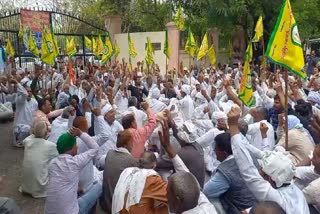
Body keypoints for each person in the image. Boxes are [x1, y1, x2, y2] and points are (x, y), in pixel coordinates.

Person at [227, 106, 310, 214]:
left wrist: (233, 127)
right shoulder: (294, 189)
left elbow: (248, 171)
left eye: (263, 173)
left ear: (269, 179)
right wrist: (264, 136)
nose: (260, 174)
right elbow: (264, 156)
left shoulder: (276, 198)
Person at [159, 120, 217, 214]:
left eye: (168, 193)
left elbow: (161, 164)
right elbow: (185, 171)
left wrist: (161, 149)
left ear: (177, 201)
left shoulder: (184, 153)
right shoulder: (205, 205)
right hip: (196, 184)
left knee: (162, 172)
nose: (166, 195)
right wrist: (168, 146)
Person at [44, 128, 100, 214]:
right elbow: (95, 148)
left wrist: (76, 189)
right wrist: (81, 133)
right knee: (99, 186)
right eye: (75, 144)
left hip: (49, 211)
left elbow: (61, 183)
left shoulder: (52, 163)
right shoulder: (74, 162)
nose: (77, 146)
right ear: (72, 147)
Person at [203, 133, 257, 214]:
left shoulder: (225, 170)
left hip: (239, 209)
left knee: (210, 199)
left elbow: (206, 192)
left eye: (216, 149)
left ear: (224, 153)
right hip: (256, 205)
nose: (214, 151)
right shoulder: (250, 157)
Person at [100, 130, 138, 213]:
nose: (132, 145)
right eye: (131, 143)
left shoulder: (109, 154)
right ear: (126, 144)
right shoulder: (132, 161)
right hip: (117, 207)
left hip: (105, 203)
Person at [20, 120, 58, 198]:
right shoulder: (50, 145)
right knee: (54, 162)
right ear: (46, 132)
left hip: (25, 186)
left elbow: (26, 139)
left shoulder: (27, 141)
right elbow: (59, 156)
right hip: (40, 187)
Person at [12, 79, 38, 147]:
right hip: (19, 128)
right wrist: (17, 83)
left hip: (29, 128)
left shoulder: (34, 102)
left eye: (30, 91)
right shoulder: (20, 100)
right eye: (27, 91)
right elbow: (25, 94)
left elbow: (34, 116)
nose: (29, 93)